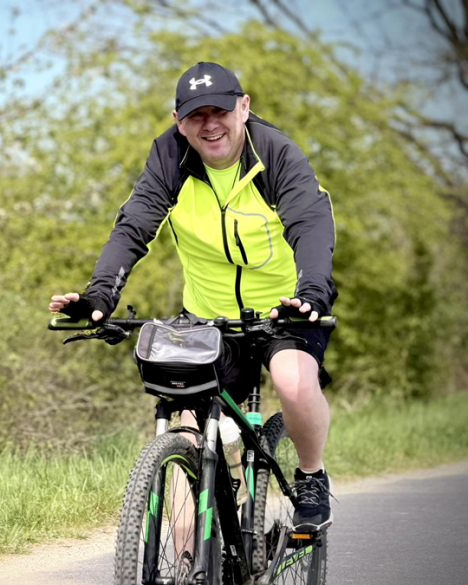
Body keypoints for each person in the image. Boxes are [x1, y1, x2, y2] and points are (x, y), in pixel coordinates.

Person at [49, 62, 337, 531]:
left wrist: (311, 294)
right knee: (184, 425)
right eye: (195, 115)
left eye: (220, 110)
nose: (210, 124)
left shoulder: (276, 153)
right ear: (179, 121)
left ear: (244, 108)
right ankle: (186, 560)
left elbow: (311, 223)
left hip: (285, 308)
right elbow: (134, 227)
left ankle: (311, 475)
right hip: (207, 315)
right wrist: (99, 298)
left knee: (292, 380)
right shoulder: (170, 155)